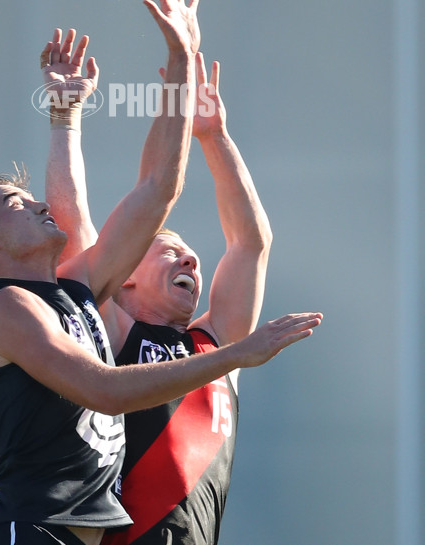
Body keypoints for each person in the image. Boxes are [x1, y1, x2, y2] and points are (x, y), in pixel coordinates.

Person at [0, 0, 322, 545]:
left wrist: (183, 61)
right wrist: (243, 353)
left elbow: (159, 188)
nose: (38, 203)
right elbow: (106, 390)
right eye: (16, 202)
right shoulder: (10, 309)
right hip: (30, 532)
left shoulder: (79, 294)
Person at [44, 38, 302, 545]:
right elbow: (72, 227)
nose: (190, 258)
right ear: (127, 274)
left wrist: (214, 135)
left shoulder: (220, 344)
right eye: (168, 250)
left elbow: (250, 243)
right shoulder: (111, 330)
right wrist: (64, 119)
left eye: (190, 254)